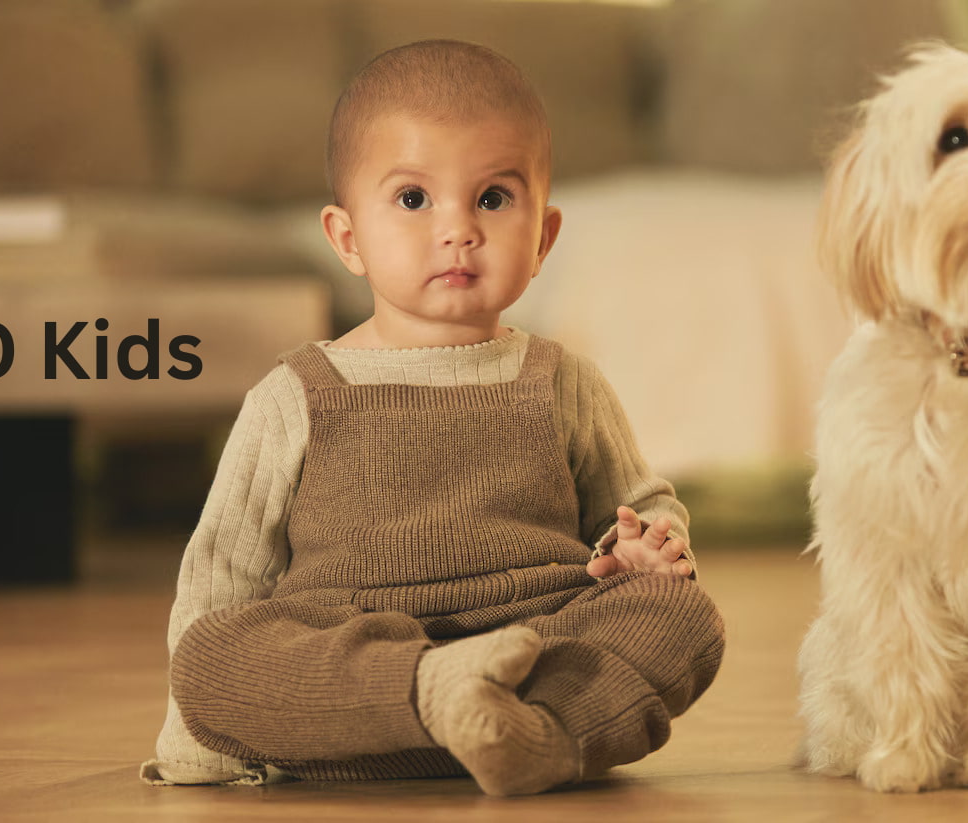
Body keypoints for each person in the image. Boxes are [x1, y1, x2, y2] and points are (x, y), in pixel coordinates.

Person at [139, 39, 725, 797]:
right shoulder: (296, 394)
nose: (459, 229)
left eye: (493, 198)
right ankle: (438, 692)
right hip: (353, 667)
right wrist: (198, 738)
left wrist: (646, 551)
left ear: (542, 238)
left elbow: (641, 509)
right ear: (347, 238)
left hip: (533, 649)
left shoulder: (562, 381)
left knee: (684, 617)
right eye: (414, 199)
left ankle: (534, 738)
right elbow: (225, 572)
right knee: (212, 654)